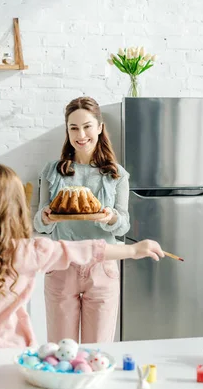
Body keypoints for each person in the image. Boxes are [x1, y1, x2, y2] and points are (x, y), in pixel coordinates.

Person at [0, 121, 164, 350]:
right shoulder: (29, 251)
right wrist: (133, 250)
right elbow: (87, 249)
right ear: (16, 207)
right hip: (14, 353)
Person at [33, 96, 131, 344]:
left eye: (87, 126)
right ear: (67, 130)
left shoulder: (116, 175)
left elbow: (124, 225)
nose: (81, 134)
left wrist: (110, 218)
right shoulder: (53, 171)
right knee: (60, 349)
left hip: (101, 267)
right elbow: (39, 223)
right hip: (61, 265)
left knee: (97, 351)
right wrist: (45, 217)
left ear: (99, 127)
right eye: (73, 127)